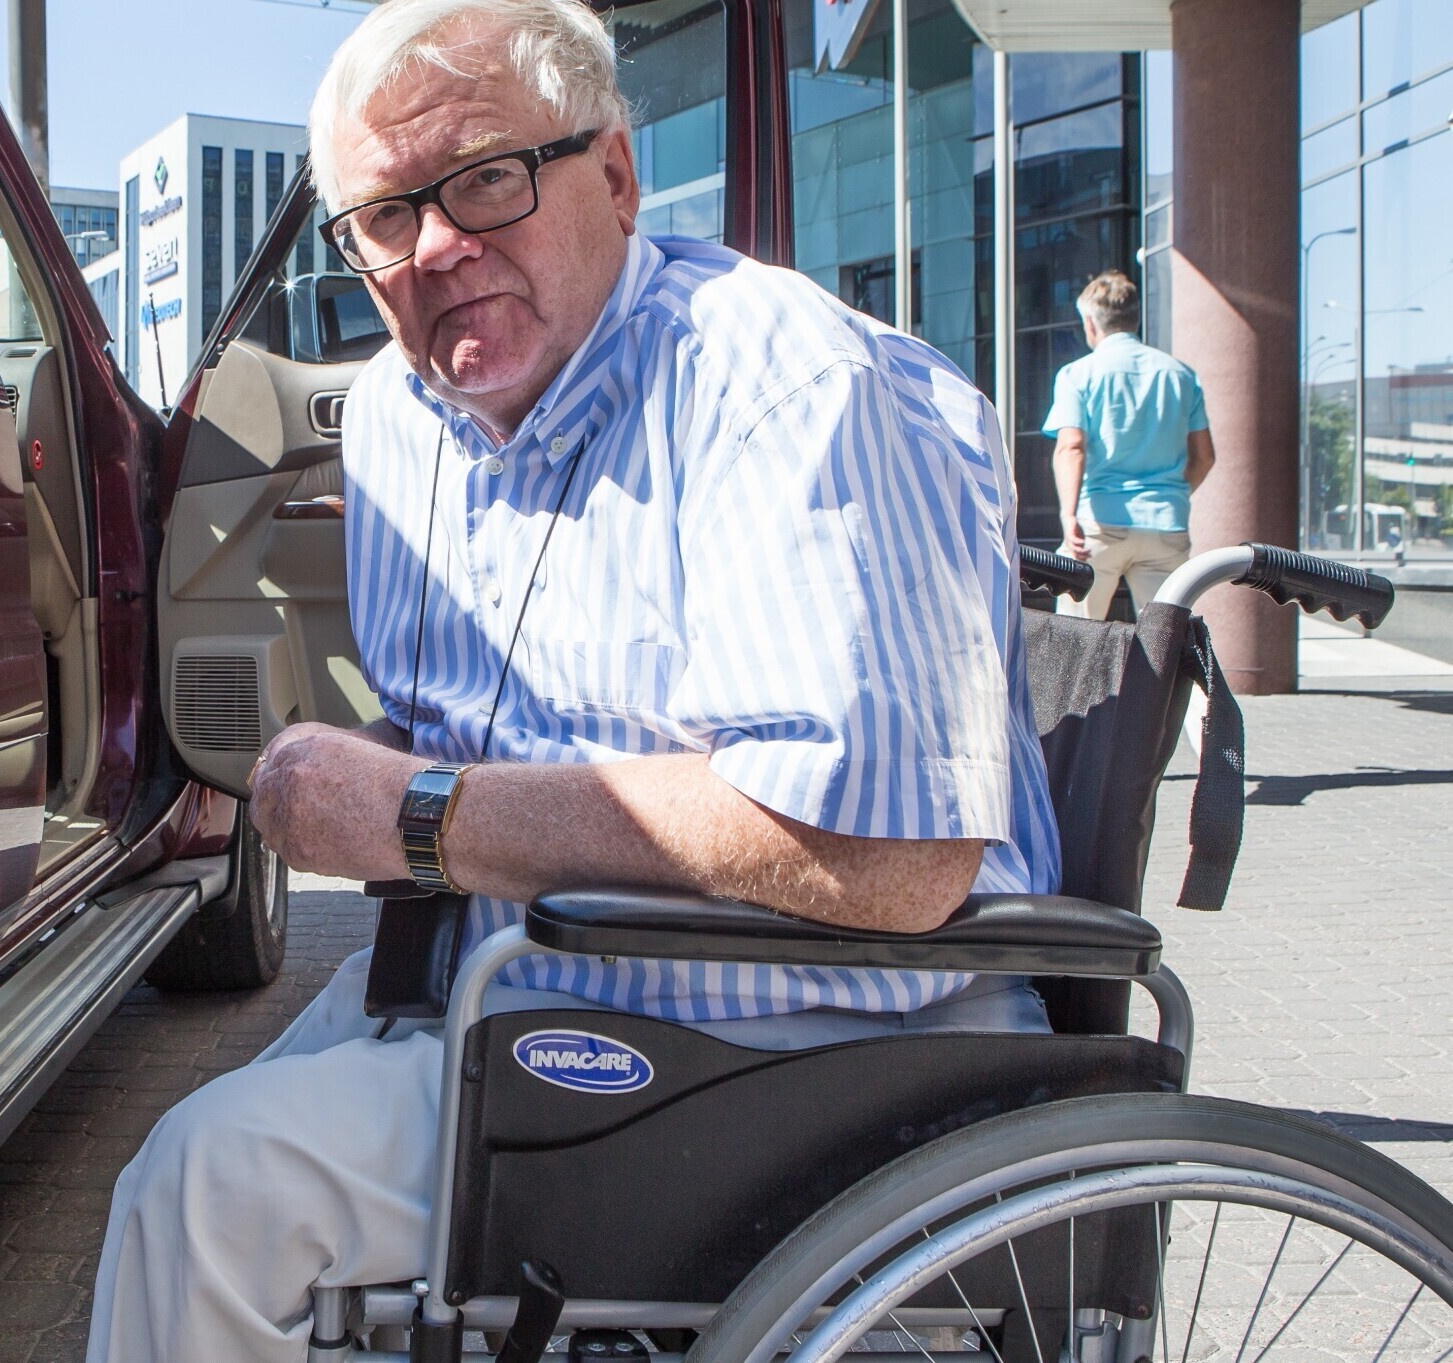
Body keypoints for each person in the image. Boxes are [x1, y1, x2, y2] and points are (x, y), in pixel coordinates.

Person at [86, 3, 1061, 1357]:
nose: (437, 246)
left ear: (613, 173)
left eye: (488, 177)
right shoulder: (399, 420)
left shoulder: (781, 384)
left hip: (806, 1052)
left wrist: (422, 813)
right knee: (195, 1151)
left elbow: (887, 857)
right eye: (385, 217)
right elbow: (458, 729)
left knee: (209, 1196)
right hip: (520, 991)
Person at [1044, 270, 1217, 620]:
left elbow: (1072, 447)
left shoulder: (1077, 374)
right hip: (1166, 524)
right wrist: (1171, 495)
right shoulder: (1181, 375)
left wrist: (1068, 514)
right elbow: (1205, 457)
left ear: (1090, 322)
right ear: (1134, 318)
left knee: (1078, 637)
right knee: (1165, 638)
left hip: (1100, 522)